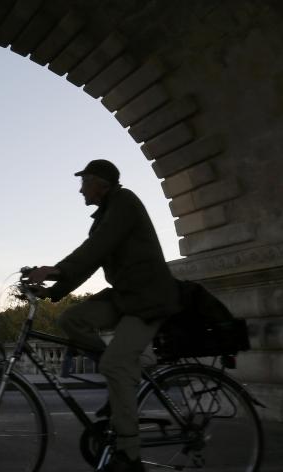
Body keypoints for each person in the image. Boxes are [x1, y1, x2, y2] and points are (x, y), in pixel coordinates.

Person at [27, 159, 180, 472]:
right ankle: (124, 370)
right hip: (125, 296)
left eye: (84, 181)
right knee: (71, 319)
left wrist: (54, 270)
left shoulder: (124, 202)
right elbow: (91, 257)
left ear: (100, 184)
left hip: (149, 297)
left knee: (114, 364)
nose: (80, 188)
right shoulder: (104, 216)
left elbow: (96, 249)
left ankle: (130, 456)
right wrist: (53, 290)